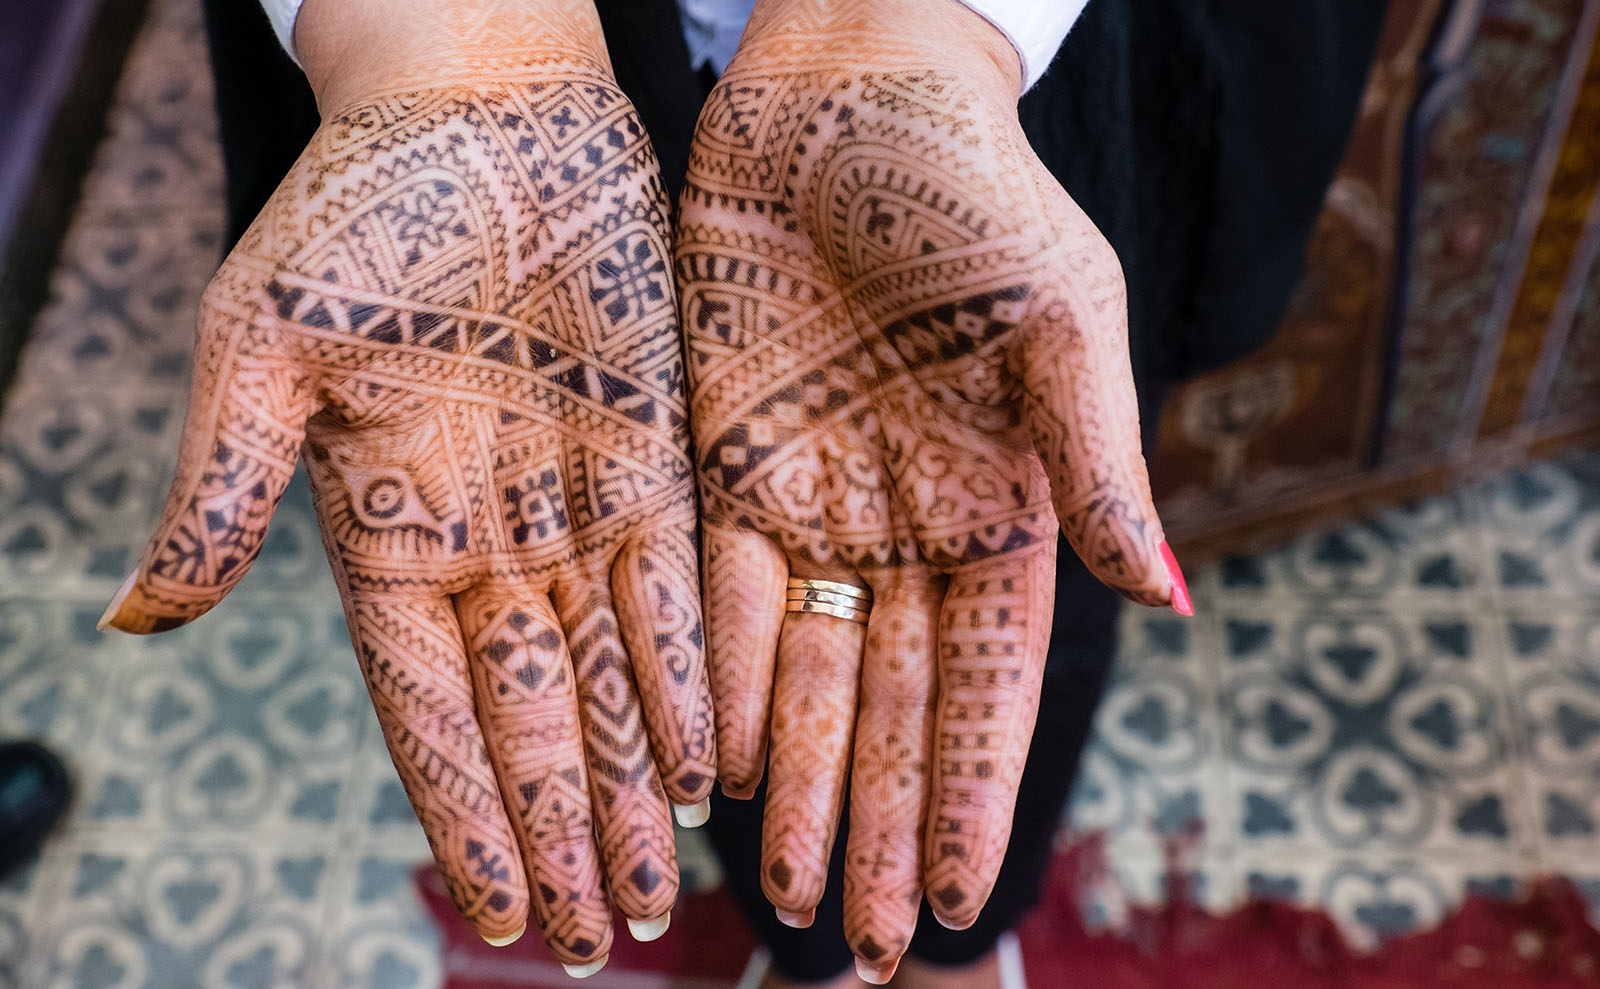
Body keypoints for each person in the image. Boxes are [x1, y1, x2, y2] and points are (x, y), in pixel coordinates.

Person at [110, 0, 1386, 985]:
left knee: (977, 522)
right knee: (643, 599)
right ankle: (812, 942)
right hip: (465, 65)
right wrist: (443, 42)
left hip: (1003, 64)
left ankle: (959, 938)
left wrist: (910, 26)